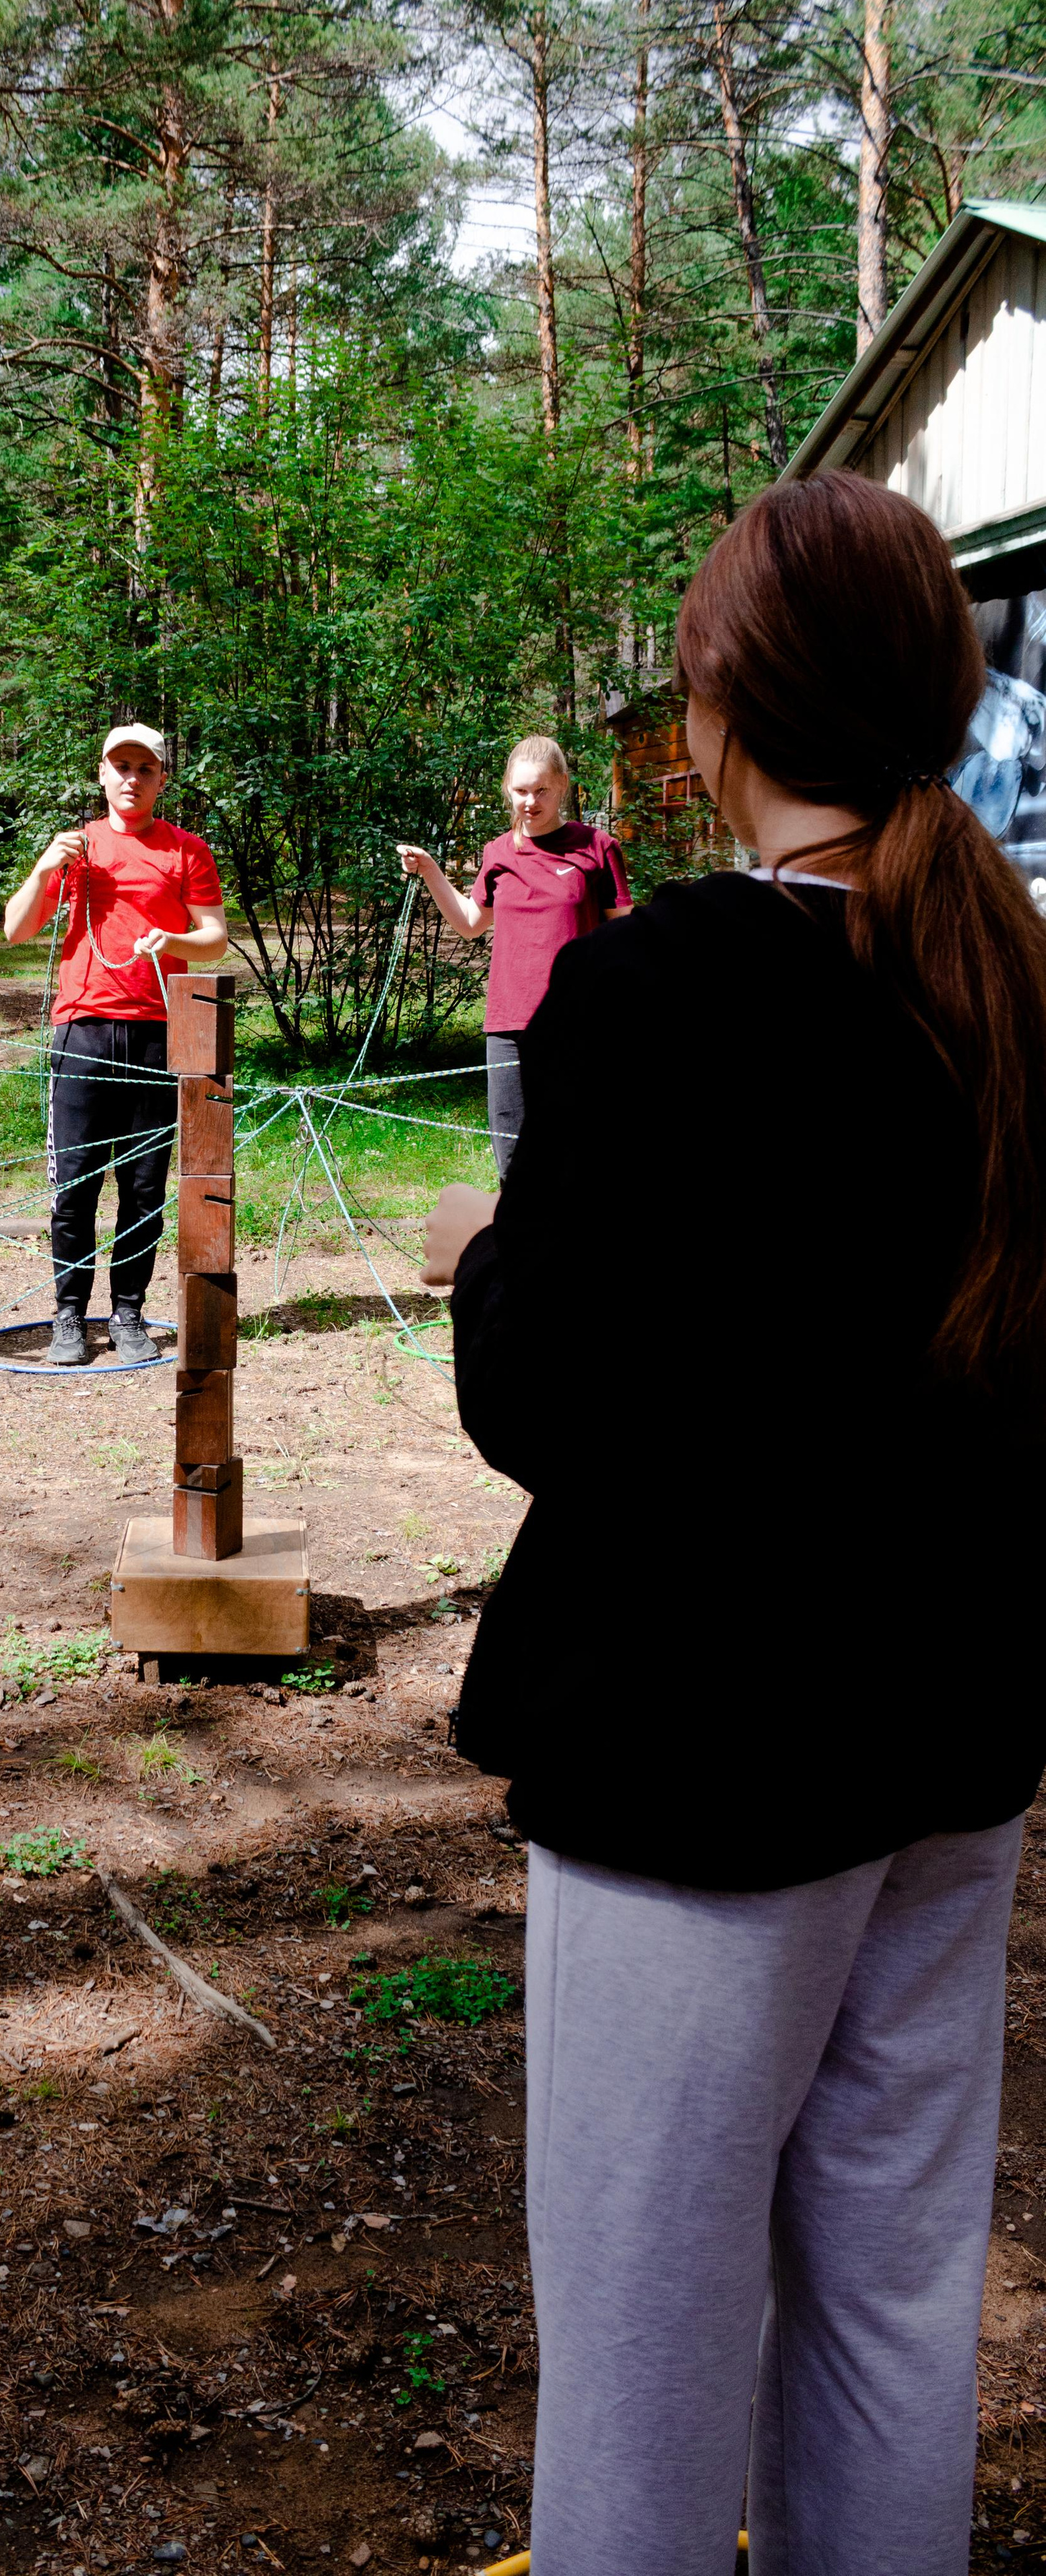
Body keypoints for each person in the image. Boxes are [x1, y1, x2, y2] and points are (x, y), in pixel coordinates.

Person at [421, 472, 1046, 2575]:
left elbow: (547, 1396)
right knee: (887, 2300)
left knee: (645, 2347)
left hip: (701, 1765)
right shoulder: (1013, 984)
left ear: (717, 711)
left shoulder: (666, 983)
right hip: (951, 1740)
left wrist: (489, 1251)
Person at [3, 724, 228, 1365]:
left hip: (160, 1031)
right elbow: (16, 930)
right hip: (83, 1029)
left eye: (145, 769)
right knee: (74, 1185)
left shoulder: (187, 851)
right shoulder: (77, 849)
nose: (131, 778)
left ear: (161, 779)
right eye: (120, 766)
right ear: (102, 773)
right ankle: (68, 1318)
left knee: (143, 1185)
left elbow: (214, 935)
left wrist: (173, 940)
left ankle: (128, 1315)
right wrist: (47, 866)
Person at [399, 738, 630, 1175]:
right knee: (513, 1164)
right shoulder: (498, 853)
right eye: (522, 791)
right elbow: (470, 923)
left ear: (562, 785)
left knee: (580, 1156)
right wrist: (431, 870)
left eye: (542, 790)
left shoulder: (598, 848)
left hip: (577, 1023)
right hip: (508, 1028)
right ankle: (521, 1243)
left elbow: (625, 936)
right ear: (507, 789)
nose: (531, 801)